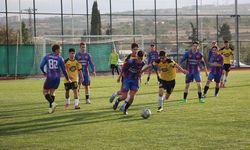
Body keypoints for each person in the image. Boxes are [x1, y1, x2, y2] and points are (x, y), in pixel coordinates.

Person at [112, 44, 144, 115]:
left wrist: (140, 76)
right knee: (124, 96)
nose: (140, 60)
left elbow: (140, 70)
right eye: (139, 58)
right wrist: (120, 77)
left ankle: (125, 109)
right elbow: (123, 68)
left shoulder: (142, 63)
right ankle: (117, 101)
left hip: (135, 81)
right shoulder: (130, 61)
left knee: (132, 97)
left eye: (141, 59)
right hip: (127, 79)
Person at [40, 44, 71, 114]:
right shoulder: (60, 58)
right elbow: (64, 70)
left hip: (50, 77)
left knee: (45, 92)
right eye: (60, 49)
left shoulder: (47, 56)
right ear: (56, 50)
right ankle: (51, 109)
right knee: (52, 92)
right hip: (57, 78)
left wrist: (44, 72)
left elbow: (41, 66)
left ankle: (52, 103)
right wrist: (68, 78)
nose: (61, 51)